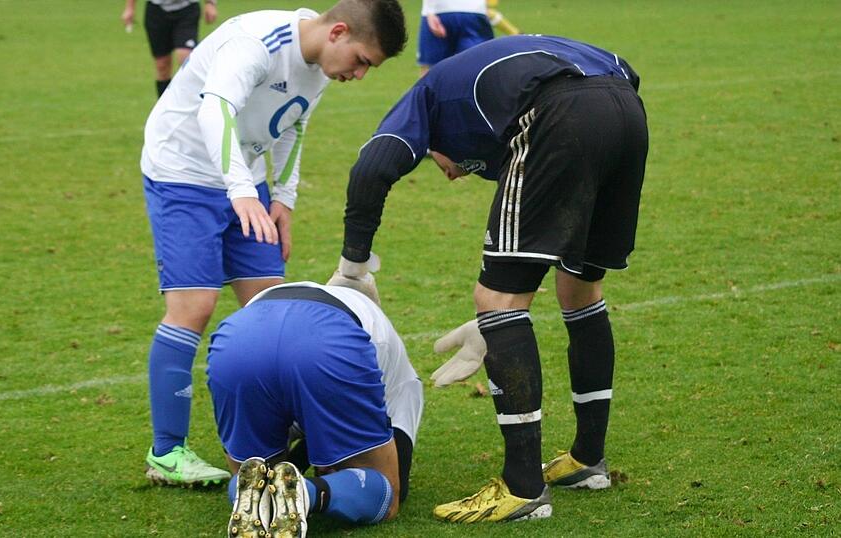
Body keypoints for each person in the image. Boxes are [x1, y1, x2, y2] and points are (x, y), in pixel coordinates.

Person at [333, 34, 648, 522]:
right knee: (579, 287)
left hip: (557, 111)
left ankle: (522, 487)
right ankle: (588, 460)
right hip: (626, 107)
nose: (452, 175)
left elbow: (370, 169)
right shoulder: (492, 100)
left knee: (496, 298)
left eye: (438, 162)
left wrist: (353, 269)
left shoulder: (425, 99)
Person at [139, 0, 408, 488]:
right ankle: (167, 452)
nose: (360, 74)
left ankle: (282, 436)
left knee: (270, 304)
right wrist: (242, 191)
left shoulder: (321, 67)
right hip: (182, 171)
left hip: (240, 175)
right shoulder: (257, 42)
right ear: (338, 33)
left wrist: (281, 197)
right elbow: (215, 110)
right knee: (194, 308)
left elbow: (293, 123)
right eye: (362, 60)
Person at [206, 281, 423, 537]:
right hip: (328, 343)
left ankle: (264, 492)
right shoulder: (401, 376)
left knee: (254, 472)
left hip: (239, 338)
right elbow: (397, 477)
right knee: (387, 493)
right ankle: (305, 494)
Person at [121, 0, 220, 97]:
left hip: (187, 9)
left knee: (186, 58)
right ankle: (164, 109)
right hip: (157, 11)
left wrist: (210, 3)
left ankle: (192, 104)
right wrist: (130, 8)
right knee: (162, 66)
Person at [417, 0, 493, 76]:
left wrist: (430, 11)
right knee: (478, 68)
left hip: (439, 10)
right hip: (474, 11)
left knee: (432, 71)